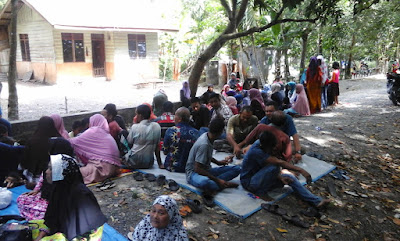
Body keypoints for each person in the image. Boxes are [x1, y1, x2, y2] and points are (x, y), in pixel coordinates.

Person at [240, 130, 330, 207]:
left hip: (259, 177)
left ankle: (316, 201)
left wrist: (279, 177)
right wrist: (301, 170)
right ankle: (260, 192)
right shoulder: (256, 151)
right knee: (274, 166)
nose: (273, 149)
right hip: (249, 183)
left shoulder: (260, 144)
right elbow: (279, 162)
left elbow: (264, 167)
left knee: (289, 178)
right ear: (266, 145)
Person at [32, 154, 107, 241]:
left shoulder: (81, 195)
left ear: (61, 172)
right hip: (69, 230)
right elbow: (52, 218)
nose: (46, 172)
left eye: (51, 169)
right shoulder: (58, 189)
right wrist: (40, 236)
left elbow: (84, 231)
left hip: (83, 235)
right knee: (31, 227)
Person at [185, 117, 241, 206]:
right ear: (220, 132)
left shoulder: (208, 137)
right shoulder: (204, 144)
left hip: (206, 170)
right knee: (205, 182)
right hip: (193, 173)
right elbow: (197, 169)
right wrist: (218, 180)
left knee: (237, 169)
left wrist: (219, 162)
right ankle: (220, 185)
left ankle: (220, 184)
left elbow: (206, 156)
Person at [17, 138, 74, 221]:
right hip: (45, 195)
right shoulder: (50, 162)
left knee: (51, 212)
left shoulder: (68, 168)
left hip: (57, 201)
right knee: (21, 199)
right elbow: (42, 177)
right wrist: (36, 189)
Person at [69, 114, 121, 184]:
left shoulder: (94, 131)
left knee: (74, 174)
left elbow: (75, 142)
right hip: (114, 168)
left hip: (103, 168)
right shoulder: (105, 133)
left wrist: (61, 140)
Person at [21, 116, 61, 183]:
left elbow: (25, 160)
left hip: (32, 175)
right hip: (52, 177)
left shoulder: (32, 141)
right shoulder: (58, 141)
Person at [125, 104, 163, 169]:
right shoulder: (157, 126)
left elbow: (129, 142)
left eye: (136, 114)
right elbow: (157, 147)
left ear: (140, 116)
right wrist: (160, 163)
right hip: (149, 163)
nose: (135, 117)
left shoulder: (135, 127)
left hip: (134, 162)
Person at [163, 107, 199, 173]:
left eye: (175, 115)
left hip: (171, 166)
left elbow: (165, 151)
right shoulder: (196, 133)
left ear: (179, 119)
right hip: (189, 167)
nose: (174, 117)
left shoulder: (170, 131)